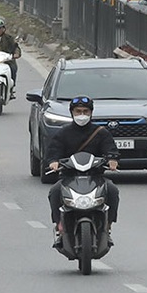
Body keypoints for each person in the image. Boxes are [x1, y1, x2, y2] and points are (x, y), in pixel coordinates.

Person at [43, 96, 120, 243]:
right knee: (54, 191)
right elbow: (53, 151)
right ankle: (59, 224)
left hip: (95, 177)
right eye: (78, 111)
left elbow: (111, 149)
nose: (82, 115)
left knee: (112, 190)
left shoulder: (101, 132)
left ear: (91, 113)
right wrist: (53, 162)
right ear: (72, 112)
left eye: (85, 111)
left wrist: (112, 160)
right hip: (69, 177)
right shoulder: (63, 133)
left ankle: (108, 224)